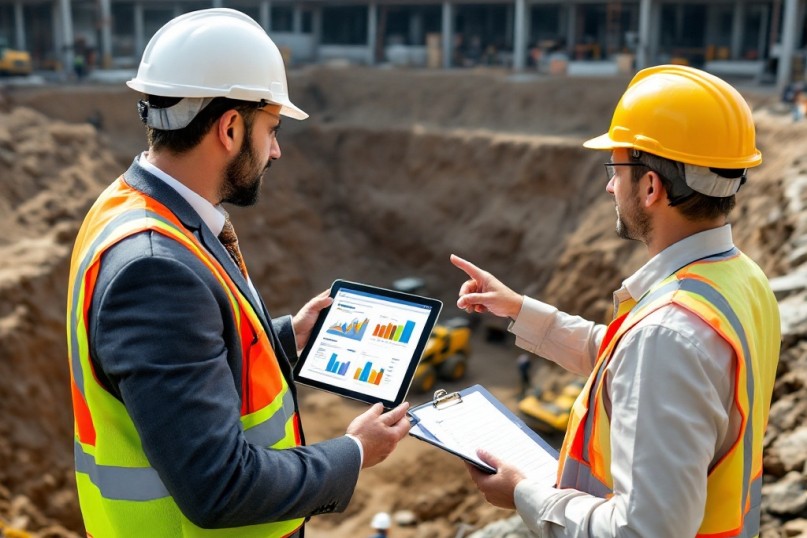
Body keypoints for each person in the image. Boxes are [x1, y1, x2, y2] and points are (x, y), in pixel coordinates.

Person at [66, 9, 410, 537]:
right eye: (270, 129)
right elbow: (219, 486)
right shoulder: (157, 270)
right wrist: (356, 452)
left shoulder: (130, 209)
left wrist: (283, 340)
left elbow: (179, 360)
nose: (275, 150)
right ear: (229, 127)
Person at [451, 65, 781, 537]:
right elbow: (631, 365)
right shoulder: (741, 280)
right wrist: (521, 310)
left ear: (650, 187)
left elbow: (643, 530)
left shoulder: (666, 333)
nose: (610, 186)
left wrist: (523, 494)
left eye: (616, 169)